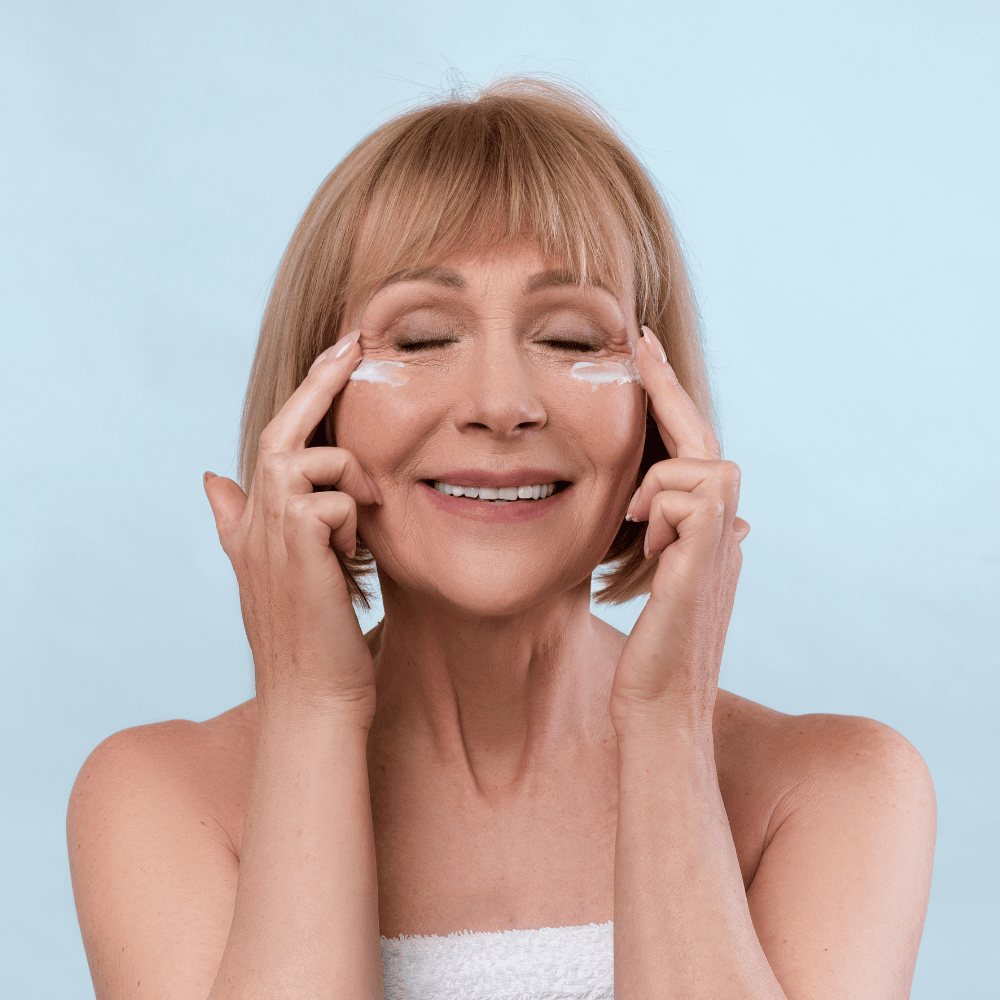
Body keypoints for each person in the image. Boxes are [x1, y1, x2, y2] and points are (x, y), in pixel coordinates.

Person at [66, 78, 936, 1000]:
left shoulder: (836, 792)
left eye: (568, 339)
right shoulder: (160, 801)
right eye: (425, 336)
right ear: (313, 417)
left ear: (657, 416)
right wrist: (312, 709)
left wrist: (665, 732)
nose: (500, 405)